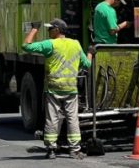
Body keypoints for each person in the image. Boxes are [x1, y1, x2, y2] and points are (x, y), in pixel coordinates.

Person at [22, 19, 92, 159]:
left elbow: (26, 46)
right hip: (70, 88)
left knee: (52, 118)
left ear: (57, 30)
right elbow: (87, 65)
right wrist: (90, 52)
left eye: (50, 29)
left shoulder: (51, 44)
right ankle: (74, 150)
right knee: (72, 118)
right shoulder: (76, 44)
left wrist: (35, 29)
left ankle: (51, 149)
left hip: (53, 87)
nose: (48, 32)